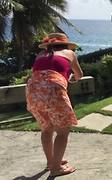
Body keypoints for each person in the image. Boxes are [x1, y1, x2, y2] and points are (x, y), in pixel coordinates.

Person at [26, 33, 83, 177]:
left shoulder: (40, 55)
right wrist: (71, 77)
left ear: (48, 46)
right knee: (63, 132)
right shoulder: (70, 53)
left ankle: (51, 162)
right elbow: (79, 74)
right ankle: (56, 168)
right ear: (65, 45)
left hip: (33, 91)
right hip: (53, 91)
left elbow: (40, 73)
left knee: (46, 129)